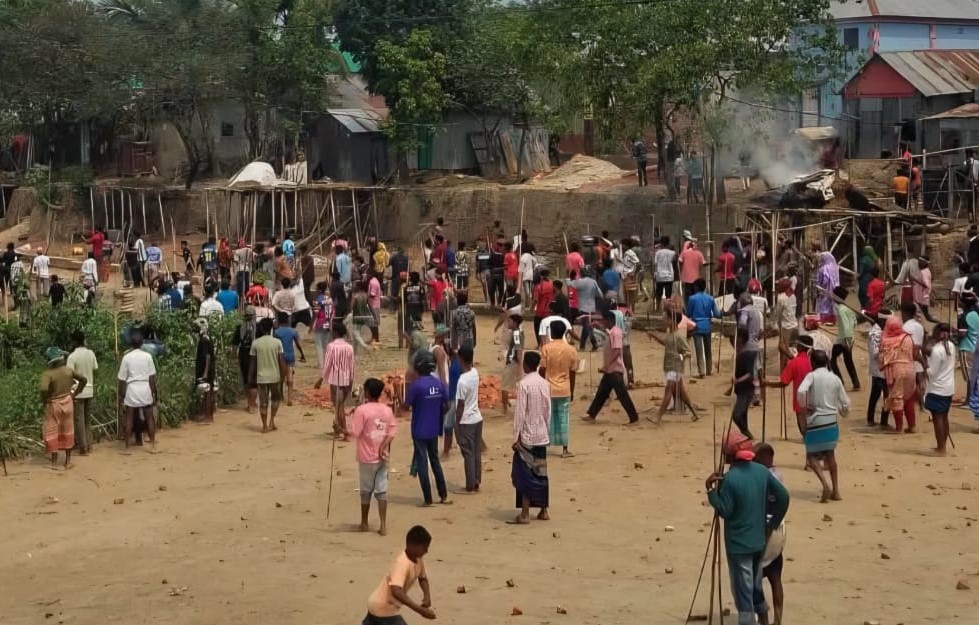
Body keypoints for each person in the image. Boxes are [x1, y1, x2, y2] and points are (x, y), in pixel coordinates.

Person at [705, 437, 789, 625]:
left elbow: (724, 511)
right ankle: (765, 619)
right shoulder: (762, 472)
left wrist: (711, 491)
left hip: (738, 545)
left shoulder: (730, 479)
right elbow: (783, 497)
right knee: (755, 585)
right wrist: (772, 523)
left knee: (743, 595)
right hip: (759, 541)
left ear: (730, 456)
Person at [347, 378, 398, 536]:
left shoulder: (362, 410)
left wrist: (341, 428)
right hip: (382, 457)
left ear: (367, 392)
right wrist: (383, 446)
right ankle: (383, 525)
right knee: (382, 490)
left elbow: (354, 432)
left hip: (366, 457)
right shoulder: (387, 410)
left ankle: (364, 522)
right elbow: (392, 431)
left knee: (366, 490)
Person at [797, 349, 848, 502]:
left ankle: (825, 484)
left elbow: (801, 391)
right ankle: (836, 491)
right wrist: (842, 412)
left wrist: (805, 406)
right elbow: (845, 402)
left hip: (815, 421)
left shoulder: (811, 376)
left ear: (812, 362)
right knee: (830, 455)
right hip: (831, 422)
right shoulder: (835, 378)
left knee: (811, 456)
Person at [402, 355, 451, 506]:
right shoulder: (438, 384)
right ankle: (443, 495)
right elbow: (446, 405)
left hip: (419, 431)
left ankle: (428, 499)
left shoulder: (416, 386)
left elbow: (405, 406)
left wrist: (398, 396)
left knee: (423, 463)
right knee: (435, 461)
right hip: (433, 429)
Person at [363, 525, 436, 624]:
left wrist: (427, 596)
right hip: (384, 607)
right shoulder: (402, 563)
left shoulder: (418, 559)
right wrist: (420, 610)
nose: (426, 551)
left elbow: (422, 578)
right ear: (413, 545)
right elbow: (396, 590)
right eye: (424, 548)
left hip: (376, 606)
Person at [510, 351, 551, 524]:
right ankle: (544, 510)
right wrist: (545, 428)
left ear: (526, 365)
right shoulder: (544, 384)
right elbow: (547, 409)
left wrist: (515, 437)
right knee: (541, 472)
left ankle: (525, 512)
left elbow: (520, 413)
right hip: (541, 434)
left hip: (527, 435)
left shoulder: (524, 384)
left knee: (525, 473)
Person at [583, 310, 640, 424]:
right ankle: (592, 414)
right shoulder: (613, 332)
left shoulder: (616, 333)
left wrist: (607, 364)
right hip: (610, 370)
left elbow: (617, 350)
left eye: (605, 321)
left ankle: (633, 417)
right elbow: (607, 332)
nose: (604, 323)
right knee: (602, 393)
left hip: (614, 370)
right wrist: (598, 326)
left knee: (622, 395)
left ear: (610, 321)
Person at [752, 442, 787, 625]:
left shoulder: (758, 478)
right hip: (778, 531)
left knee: (754, 579)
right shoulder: (777, 475)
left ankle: (763, 619)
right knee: (775, 578)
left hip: (761, 531)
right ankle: (778, 619)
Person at [41, 346, 87, 468]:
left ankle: (54, 461)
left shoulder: (47, 374)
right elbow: (83, 379)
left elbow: (44, 389)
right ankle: (67, 461)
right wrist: (75, 393)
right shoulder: (68, 371)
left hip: (53, 403)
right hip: (67, 401)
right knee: (68, 430)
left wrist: (45, 399)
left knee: (52, 430)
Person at [540, 320, 577, 457]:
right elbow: (573, 372)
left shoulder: (546, 349)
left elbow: (542, 369)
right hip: (565, 388)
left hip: (548, 388)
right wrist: (572, 390)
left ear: (552, 332)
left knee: (547, 418)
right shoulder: (571, 350)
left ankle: (543, 446)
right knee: (563, 418)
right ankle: (565, 449)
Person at [117, 328, 158, 449]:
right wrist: (154, 393)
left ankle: (127, 446)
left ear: (131, 344)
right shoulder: (147, 357)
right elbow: (151, 378)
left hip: (132, 389)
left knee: (129, 416)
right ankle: (153, 443)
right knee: (149, 417)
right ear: (142, 343)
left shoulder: (126, 358)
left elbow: (122, 379)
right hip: (145, 388)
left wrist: (121, 394)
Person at [656, 311, 698, 423]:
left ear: (673, 321)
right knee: (682, 394)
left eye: (667, 319)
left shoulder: (678, 337)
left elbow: (688, 351)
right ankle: (694, 413)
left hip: (675, 368)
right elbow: (666, 342)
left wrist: (680, 356)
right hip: (671, 367)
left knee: (668, 391)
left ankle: (658, 416)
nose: (665, 321)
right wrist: (654, 335)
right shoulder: (671, 335)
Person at [316, 321, 355, 439]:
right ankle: (338, 428)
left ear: (335, 333)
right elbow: (352, 366)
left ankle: (344, 430)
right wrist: (352, 381)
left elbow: (327, 364)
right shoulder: (349, 347)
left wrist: (321, 379)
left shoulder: (331, 346)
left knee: (338, 406)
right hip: (347, 379)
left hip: (335, 379)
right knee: (340, 405)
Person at [879, 315, 917, 434]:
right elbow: (914, 353)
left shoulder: (885, 341)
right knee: (909, 397)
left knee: (897, 398)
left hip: (895, 371)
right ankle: (912, 426)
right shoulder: (908, 338)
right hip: (910, 369)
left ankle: (899, 428)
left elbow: (881, 359)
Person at [249, 317, 286, 433]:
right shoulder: (277, 342)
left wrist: (250, 378)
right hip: (275, 376)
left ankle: (264, 426)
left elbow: (252, 363)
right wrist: (283, 375)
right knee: (275, 399)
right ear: (271, 328)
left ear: (260, 328)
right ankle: (271, 421)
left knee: (263, 402)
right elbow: (281, 361)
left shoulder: (255, 343)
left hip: (261, 378)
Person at [453, 345, 483, 493]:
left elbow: (460, 405)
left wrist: (456, 424)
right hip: (477, 418)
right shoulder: (475, 373)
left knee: (468, 453)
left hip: (466, 420)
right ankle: (477, 479)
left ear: (461, 359)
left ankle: (470, 484)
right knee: (476, 451)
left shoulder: (462, 381)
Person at [924, 323, 956, 455]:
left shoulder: (937, 350)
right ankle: (943, 445)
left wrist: (923, 362)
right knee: (944, 416)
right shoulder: (951, 346)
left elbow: (932, 372)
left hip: (937, 388)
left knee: (937, 418)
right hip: (948, 387)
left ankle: (941, 448)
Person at [66, 331, 97, 456]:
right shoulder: (90, 353)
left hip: (78, 391)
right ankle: (89, 444)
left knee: (79, 420)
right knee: (87, 419)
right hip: (89, 389)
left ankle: (83, 446)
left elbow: (69, 375)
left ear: (74, 341)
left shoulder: (72, 357)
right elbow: (95, 368)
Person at [686, 279, 722, 377]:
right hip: (707, 325)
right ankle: (709, 369)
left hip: (696, 325)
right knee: (708, 349)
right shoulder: (710, 298)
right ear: (705, 287)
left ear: (696, 287)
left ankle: (702, 371)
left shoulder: (692, 299)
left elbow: (688, 313)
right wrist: (723, 312)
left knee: (699, 350)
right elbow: (717, 314)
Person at [830, 286, 860, 390]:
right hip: (848, 337)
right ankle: (856, 383)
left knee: (831, 359)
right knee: (848, 361)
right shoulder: (847, 307)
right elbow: (854, 322)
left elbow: (846, 325)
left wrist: (846, 341)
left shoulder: (841, 310)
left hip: (844, 339)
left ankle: (840, 382)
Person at [274, 311, 305, 406]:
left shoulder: (276, 332)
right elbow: (298, 344)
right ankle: (289, 399)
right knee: (290, 376)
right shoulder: (293, 331)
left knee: (281, 376)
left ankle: (281, 397)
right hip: (290, 355)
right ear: (287, 320)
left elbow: (275, 345)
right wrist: (302, 354)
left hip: (280, 355)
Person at [866, 312, 890, 427]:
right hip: (878, 369)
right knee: (879, 395)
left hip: (885, 368)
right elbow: (874, 353)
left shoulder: (884, 332)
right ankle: (874, 419)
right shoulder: (874, 334)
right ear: (882, 321)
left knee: (884, 395)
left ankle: (881, 420)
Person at [566, 271, 601, 351]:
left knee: (587, 327)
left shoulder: (579, 282)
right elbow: (600, 294)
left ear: (581, 274)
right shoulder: (594, 282)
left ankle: (592, 345)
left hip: (584, 308)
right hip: (592, 308)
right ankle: (585, 345)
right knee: (588, 326)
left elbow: (569, 283)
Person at [500, 313, 525, 416]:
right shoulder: (517, 332)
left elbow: (518, 350)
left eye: (510, 321)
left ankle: (505, 409)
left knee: (504, 386)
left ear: (515, 323)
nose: (508, 323)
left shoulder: (516, 334)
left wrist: (520, 366)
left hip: (512, 362)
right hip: (514, 362)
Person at [234, 306, 258, 412]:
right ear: (254, 315)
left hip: (243, 353)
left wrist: (233, 356)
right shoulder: (258, 326)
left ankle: (250, 403)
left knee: (246, 378)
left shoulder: (240, 326)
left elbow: (235, 343)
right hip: (255, 353)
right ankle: (253, 403)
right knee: (254, 378)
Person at [194, 318, 216, 422]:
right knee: (208, 391)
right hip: (208, 369)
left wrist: (205, 372)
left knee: (207, 393)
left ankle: (207, 415)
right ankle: (208, 415)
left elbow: (207, 356)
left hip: (205, 370)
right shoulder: (207, 338)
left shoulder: (204, 341)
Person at [773, 278, 798, 368]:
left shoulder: (781, 298)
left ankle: (783, 373)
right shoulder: (793, 296)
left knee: (783, 350)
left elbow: (777, 314)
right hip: (794, 325)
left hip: (786, 327)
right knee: (792, 348)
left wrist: (773, 325)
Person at [531, 268, 555, 347]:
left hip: (540, 311)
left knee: (537, 327)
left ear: (541, 276)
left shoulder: (538, 286)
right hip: (549, 311)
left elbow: (535, 300)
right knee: (548, 328)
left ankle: (539, 344)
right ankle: (548, 343)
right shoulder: (552, 284)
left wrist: (531, 308)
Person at [653, 237, 676, 311]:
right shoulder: (672, 253)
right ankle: (667, 309)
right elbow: (674, 261)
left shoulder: (657, 253)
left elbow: (655, 264)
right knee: (668, 294)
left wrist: (654, 274)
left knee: (658, 293)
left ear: (661, 243)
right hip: (669, 276)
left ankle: (658, 308)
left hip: (660, 276)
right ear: (668, 243)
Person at [815, 251, 839, 318]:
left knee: (823, 307)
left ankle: (823, 320)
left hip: (824, 292)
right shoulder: (835, 268)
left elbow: (820, 282)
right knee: (832, 307)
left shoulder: (822, 269)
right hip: (834, 292)